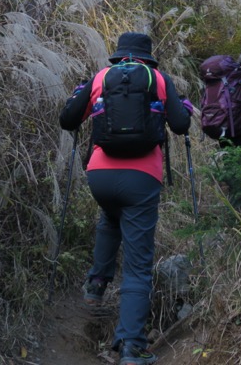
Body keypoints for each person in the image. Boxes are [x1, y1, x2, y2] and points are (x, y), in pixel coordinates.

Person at [59, 32, 193, 365]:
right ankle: (132, 346)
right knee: (137, 266)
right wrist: (181, 107)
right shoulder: (158, 79)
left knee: (110, 216)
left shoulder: (101, 78)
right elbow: (180, 125)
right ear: (148, 58)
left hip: (99, 175)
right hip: (141, 178)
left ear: (119, 56)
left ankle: (96, 283)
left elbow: (67, 120)